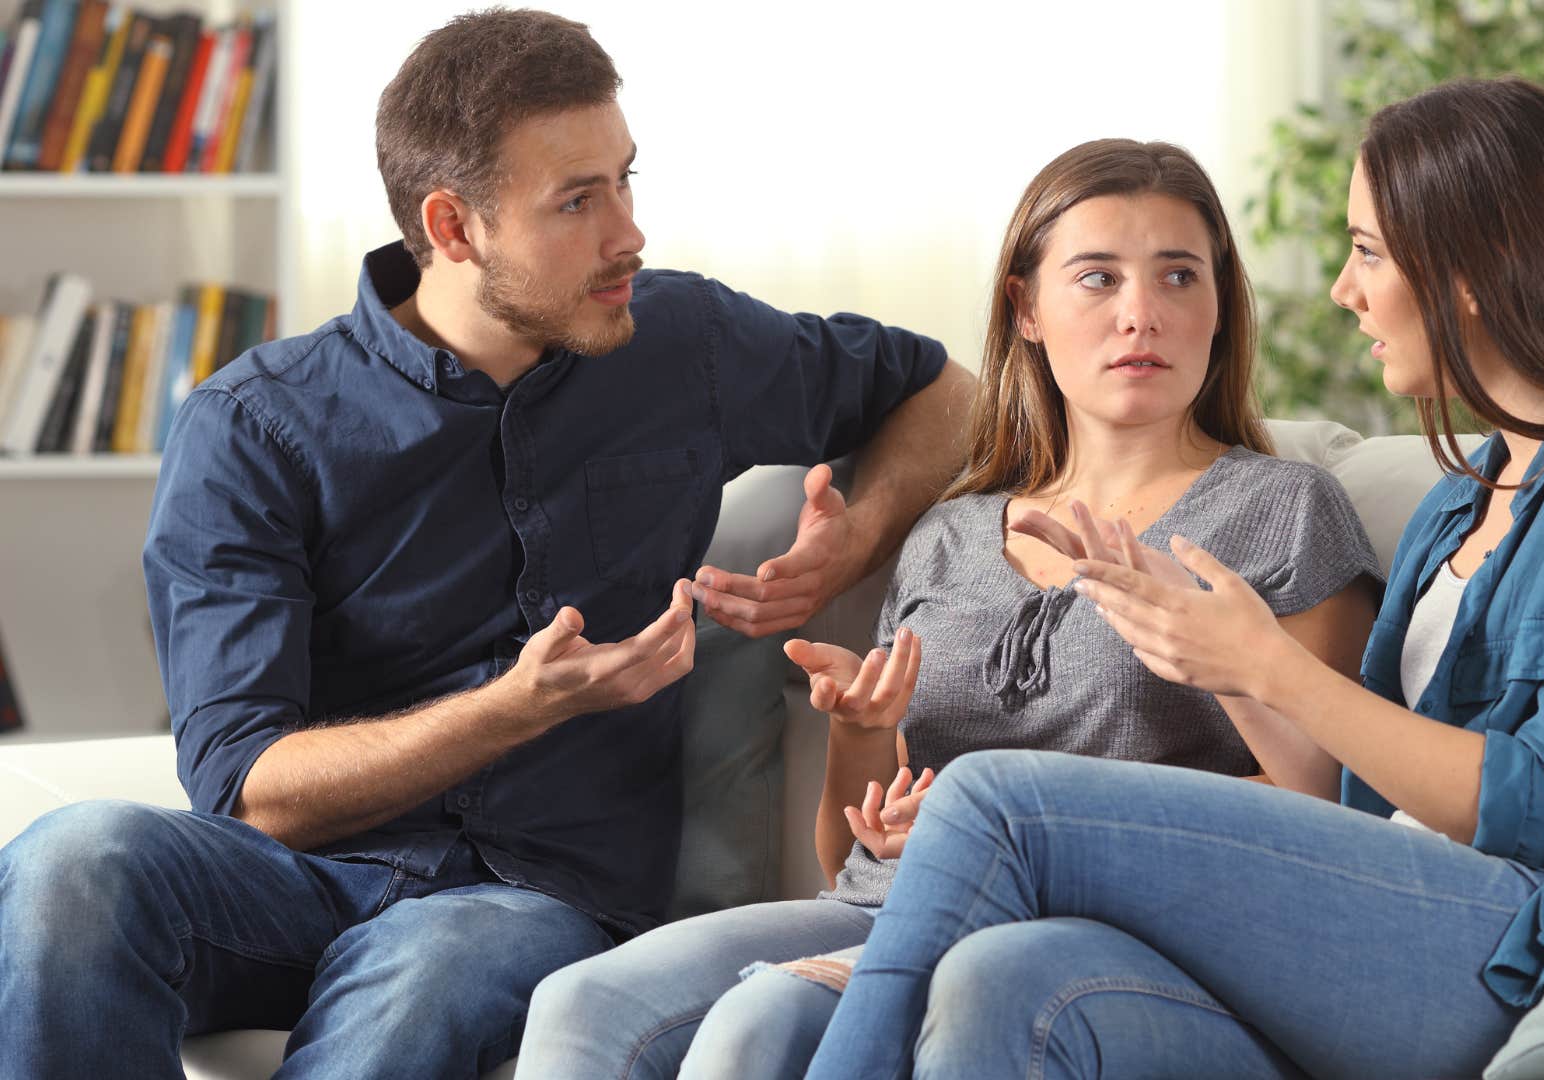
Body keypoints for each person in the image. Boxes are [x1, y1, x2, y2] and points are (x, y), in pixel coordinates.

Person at [803, 77, 1544, 1080]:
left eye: (1367, 253)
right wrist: (1213, 656)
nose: (1345, 291)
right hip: (1407, 925)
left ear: (1473, 269)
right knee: (1003, 978)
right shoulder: (1458, 502)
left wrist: (1277, 668)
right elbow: (1353, 802)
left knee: (993, 802)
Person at [0, 10, 975, 1079]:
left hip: (535, 900)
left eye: (626, 180)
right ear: (454, 227)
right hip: (303, 882)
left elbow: (945, 392)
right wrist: (517, 709)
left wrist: (855, 541)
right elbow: (247, 787)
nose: (629, 234)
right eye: (577, 201)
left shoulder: (684, 345)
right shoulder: (256, 427)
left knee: (431, 959)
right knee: (70, 862)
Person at [514, 137, 1383, 1079]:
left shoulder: (1282, 511)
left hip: (1088, 933)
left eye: (1180, 276)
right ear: (1027, 309)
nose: (1143, 314)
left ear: (1220, 305)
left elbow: (1332, 811)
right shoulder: (950, 532)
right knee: (581, 1002)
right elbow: (849, 846)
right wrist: (862, 735)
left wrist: (1019, 833)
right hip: (884, 901)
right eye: (1097, 279)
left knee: (765, 1018)